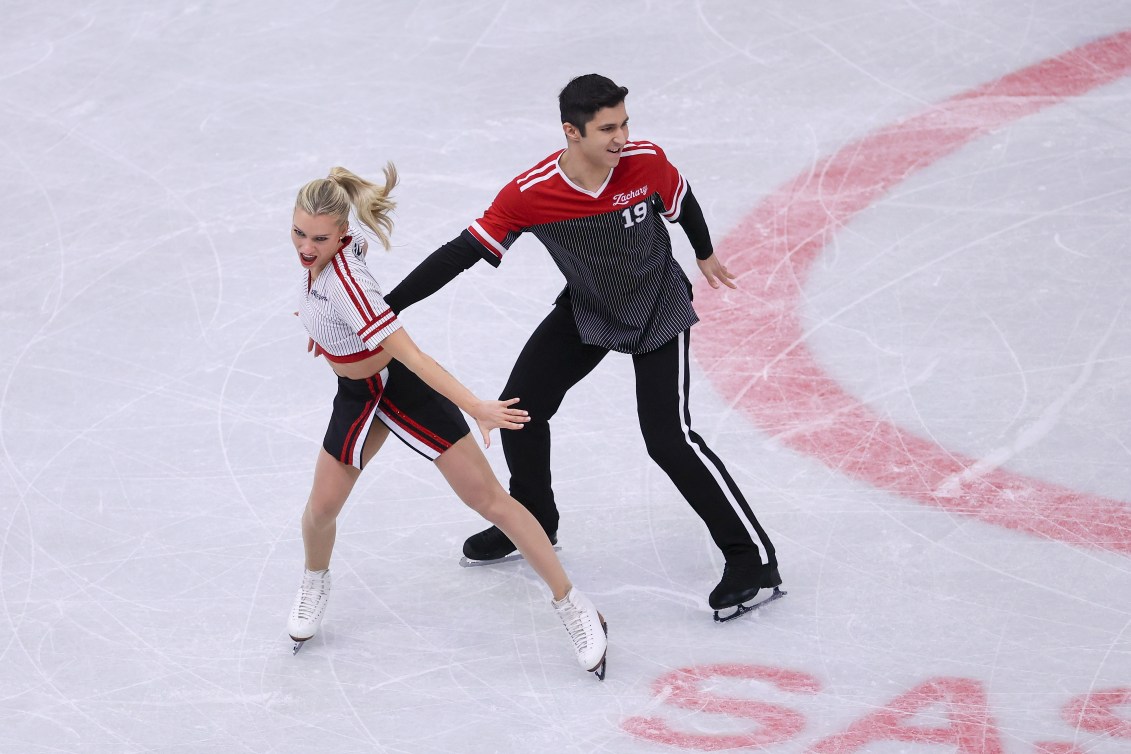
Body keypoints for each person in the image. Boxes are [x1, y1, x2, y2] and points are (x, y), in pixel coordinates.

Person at [385, 74, 782, 621]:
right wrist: (388, 305)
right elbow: (462, 252)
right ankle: (534, 520)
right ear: (572, 133)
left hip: (658, 307)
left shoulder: (646, 162)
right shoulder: (531, 193)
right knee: (520, 408)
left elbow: (682, 201)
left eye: (624, 123)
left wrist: (705, 253)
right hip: (590, 308)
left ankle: (751, 558)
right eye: (607, 129)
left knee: (669, 438)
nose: (621, 138)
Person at [286, 163, 607, 679]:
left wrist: (477, 406)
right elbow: (326, 284)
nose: (306, 245)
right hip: (357, 395)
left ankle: (574, 605)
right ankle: (315, 580)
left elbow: (413, 358)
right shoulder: (331, 254)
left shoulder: (351, 286)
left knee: (490, 501)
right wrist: (323, 329)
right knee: (320, 509)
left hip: (404, 390)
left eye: (319, 238)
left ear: (342, 235)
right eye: (299, 232)